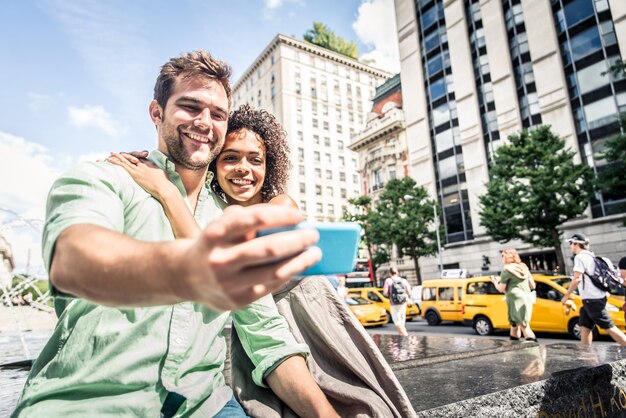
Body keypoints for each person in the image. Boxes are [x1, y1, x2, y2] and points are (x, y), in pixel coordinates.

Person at [13, 51, 338, 418]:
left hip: (206, 406)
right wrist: (192, 272)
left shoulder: (232, 217)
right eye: (190, 107)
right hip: (88, 403)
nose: (205, 122)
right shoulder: (105, 177)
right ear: (156, 112)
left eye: (217, 114)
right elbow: (73, 258)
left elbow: (267, 335)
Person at [107, 105, 416, 417]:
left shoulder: (279, 203)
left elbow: (218, 256)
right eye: (231, 157)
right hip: (258, 333)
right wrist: (150, 167)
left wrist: (166, 191)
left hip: (312, 321)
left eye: (255, 159)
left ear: (269, 167)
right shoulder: (212, 214)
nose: (244, 168)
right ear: (214, 164)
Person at [561, 233, 626, 346]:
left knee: (608, 327)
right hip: (596, 297)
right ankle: (587, 355)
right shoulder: (592, 256)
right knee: (585, 327)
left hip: (592, 299)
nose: (570, 246)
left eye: (571, 243)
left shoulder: (580, 257)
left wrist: (566, 295)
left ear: (576, 244)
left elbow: (577, 279)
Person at [492, 248, 537, 342]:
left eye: (503, 255)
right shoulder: (523, 267)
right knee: (514, 324)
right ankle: (514, 346)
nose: (502, 258)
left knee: (524, 326)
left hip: (515, 298)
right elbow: (533, 285)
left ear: (507, 257)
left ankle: (534, 350)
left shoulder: (506, 269)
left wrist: (495, 282)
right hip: (527, 297)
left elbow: (501, 288)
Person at [383, 267, 411, 336]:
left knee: (397, 321)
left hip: (393, 303)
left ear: (390, 273)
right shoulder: (403, 280)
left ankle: (405, 335)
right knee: (402, 321)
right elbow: (409, 292)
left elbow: (385, 293)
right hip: (402, 303)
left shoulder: (388, 281)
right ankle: (402, 337)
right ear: (397, 272)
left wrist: (390, 294)